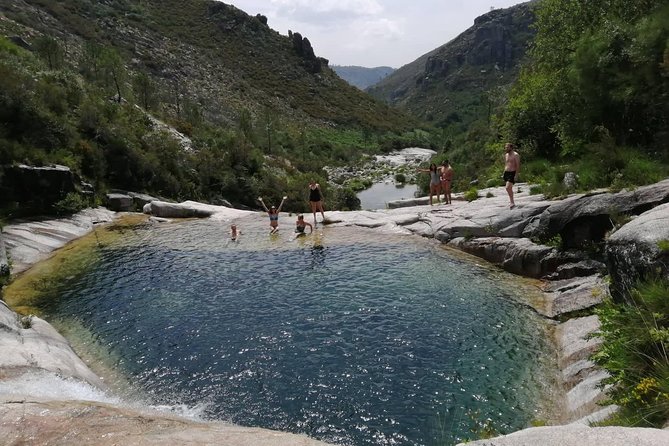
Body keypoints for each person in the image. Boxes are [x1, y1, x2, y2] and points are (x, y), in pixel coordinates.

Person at [503, 143, 521, 209]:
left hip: (512, 173)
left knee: (507, 187)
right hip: (506, 172)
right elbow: (506, 164)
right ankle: (512, 202)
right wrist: (503, 173)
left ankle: (512, 202)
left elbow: (518, 165)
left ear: (511, 147)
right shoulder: (506, 155)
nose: (506, 149)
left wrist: (516, 175)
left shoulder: (516, 155)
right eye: (505, 147)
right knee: (509, 188)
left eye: (507, 147)